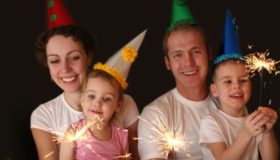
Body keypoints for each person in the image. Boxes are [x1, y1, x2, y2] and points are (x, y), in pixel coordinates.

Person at [30, 1, 141, 159]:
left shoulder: (125, 103)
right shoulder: (44, 115)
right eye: (55, 60)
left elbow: (135, 156)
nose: (65, 68)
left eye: (74, 57)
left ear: (88, 56)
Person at [137, 0, 218, 159]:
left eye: (195, 51)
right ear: (167, 62)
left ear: (209, 53)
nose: (188, 62)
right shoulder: (156, 114)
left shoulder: (229, 101)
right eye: (178, 55)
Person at [199, 10, 279, 160]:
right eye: (228, 81)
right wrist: (247, 133)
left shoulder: (254, 119)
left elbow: (271, 158)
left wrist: (268, 131)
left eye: (243, 80)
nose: (237, 86)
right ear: (214, 90)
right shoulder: (211, 122)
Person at [59, 69, 129, 160]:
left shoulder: (121, 137)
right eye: (91, 96)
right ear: (82, 99)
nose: (98, 103)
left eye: (107, 99)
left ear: (118, 105)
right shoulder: (74, 132)